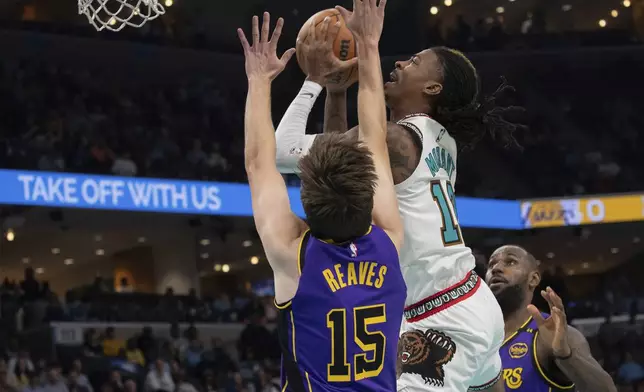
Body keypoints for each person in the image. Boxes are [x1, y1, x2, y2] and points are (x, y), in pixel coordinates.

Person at [274, 8, 525, 392]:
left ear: (433, 88)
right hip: (468, 299)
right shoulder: (440, 138)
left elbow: (284, 152)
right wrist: (339, 93)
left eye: (415, 61)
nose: (402, 63)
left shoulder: (396, 140)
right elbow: (345, 168)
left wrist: (313, 81)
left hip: (440, 316)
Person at [237, 4, 405, 391]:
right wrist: (369, 43)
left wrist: (259, 79)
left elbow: (260, 162)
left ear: (305, 205)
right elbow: (375, 137)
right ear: (370, 196)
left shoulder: (292, 257)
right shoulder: (389, 239)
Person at [485, 245, 617, 392]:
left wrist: (565, 355)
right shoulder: (476, 336)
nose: (496, 268)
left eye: (510, 262)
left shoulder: (552, 334)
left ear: (533, 279)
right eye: (491, 264)